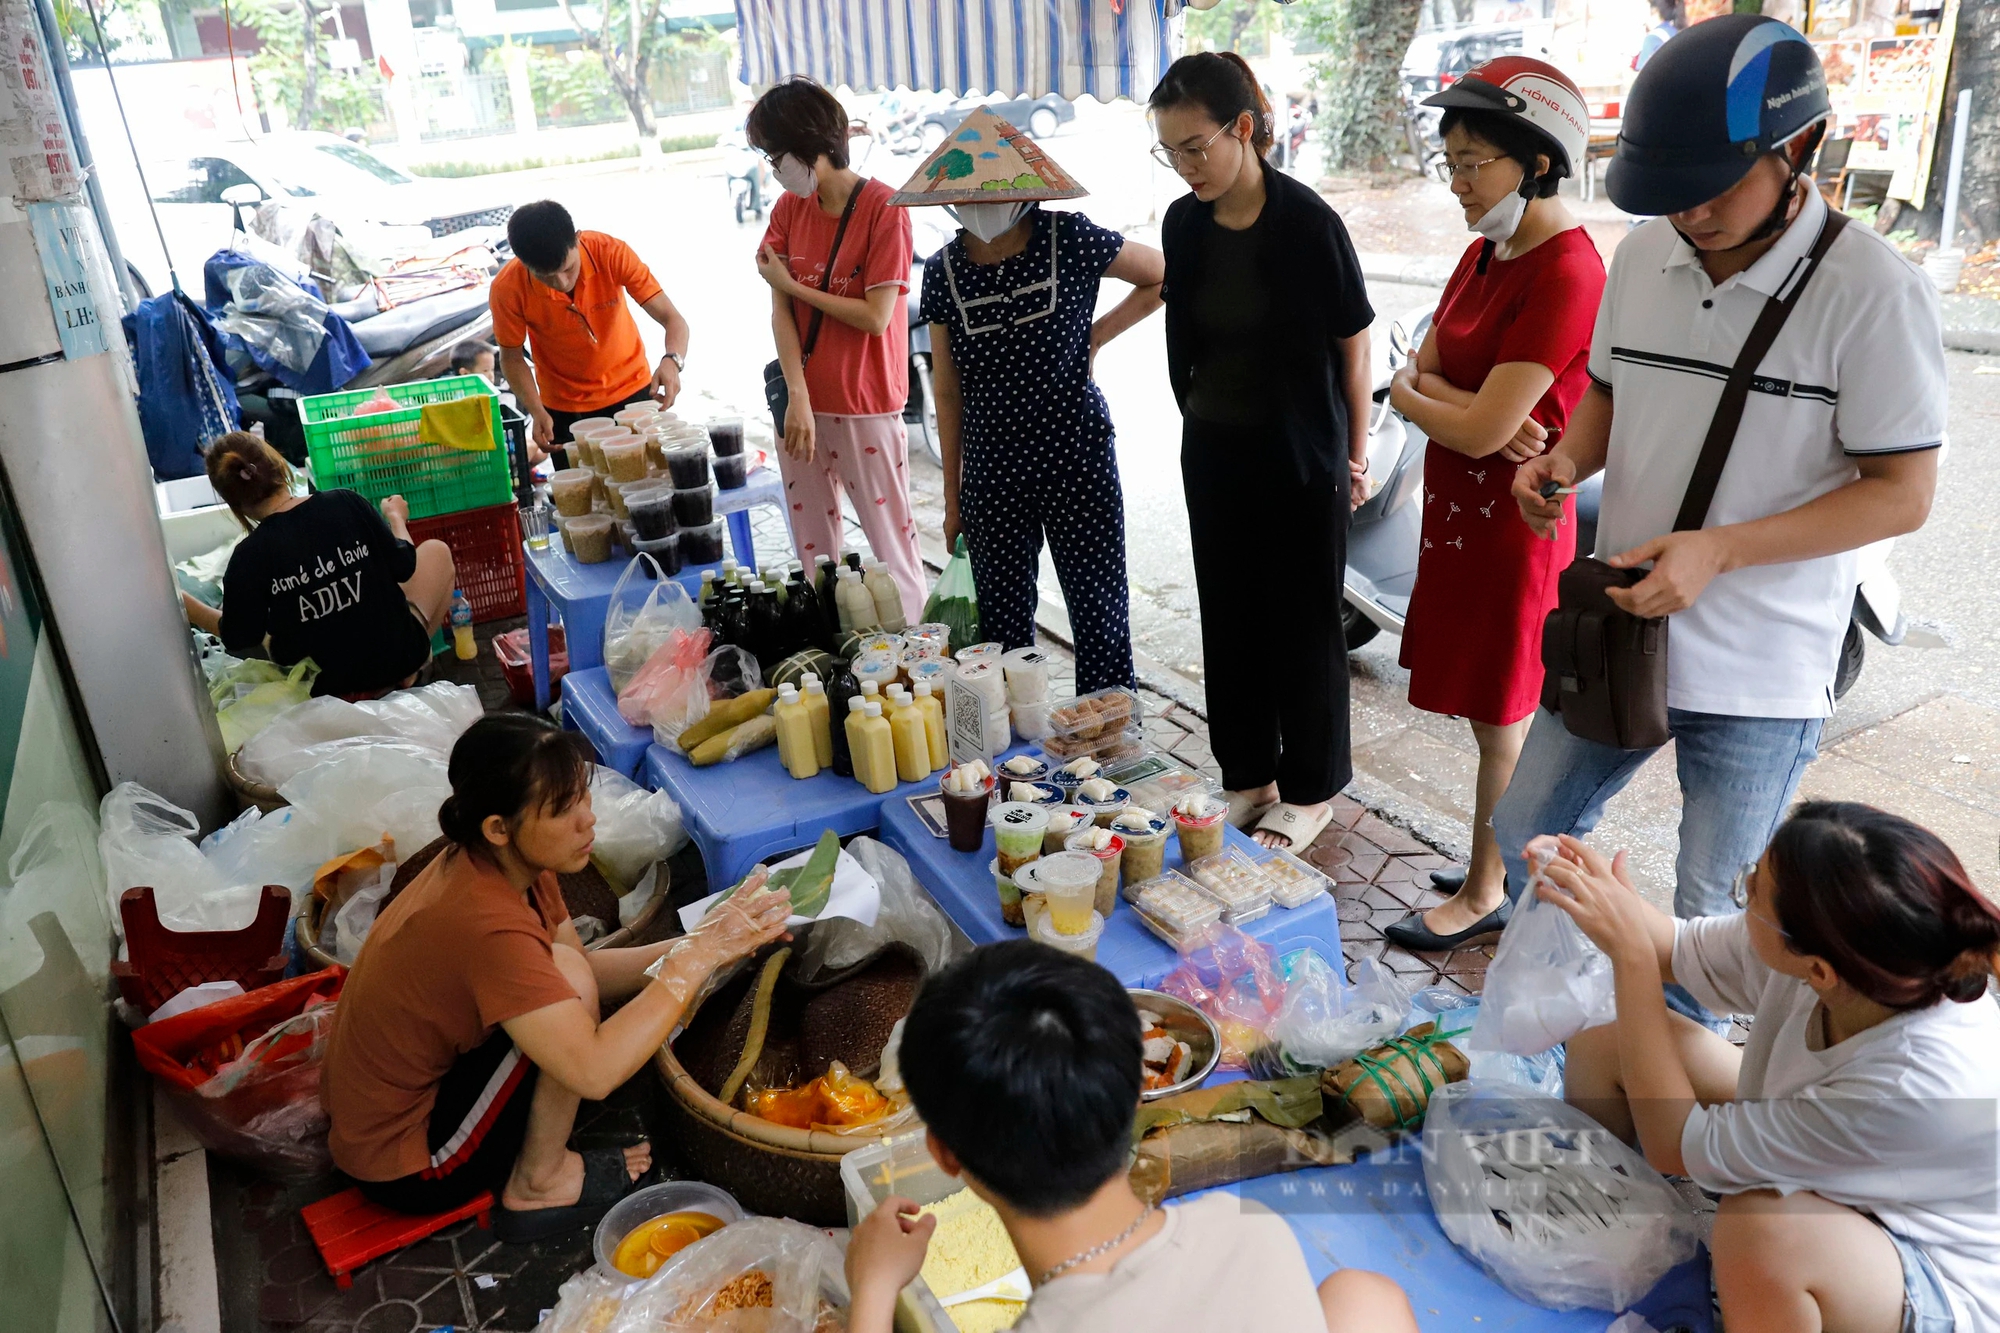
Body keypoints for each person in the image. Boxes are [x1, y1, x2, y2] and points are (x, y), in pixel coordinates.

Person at [1499, 16, 1944, 1018]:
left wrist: (1722, 552)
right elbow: (1608, 399)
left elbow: (1901, 493)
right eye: (1669, 189)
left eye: (1713, 183)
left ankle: (1671, 1114)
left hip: (1762, 665)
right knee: (1523, 829)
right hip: (1620, 632)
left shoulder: (1872, 294)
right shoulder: (1642, 256)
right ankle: (1563, 1026)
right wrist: (1562, 462)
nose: (1688, 211)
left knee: (1715, 917)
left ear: (1800, 147)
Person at [323, 715, 792, 1241]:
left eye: (583, 797)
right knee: (572, 994)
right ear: (498, 826)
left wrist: (711, 946)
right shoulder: (483, 921)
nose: (588, 820)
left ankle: (539, 1157)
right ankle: (538, 1182)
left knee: (569, 975)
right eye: (563, 810)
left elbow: (583, 968)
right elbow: (593, 1070)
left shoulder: (509, 862)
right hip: (412, 1158)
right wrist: (697, 958)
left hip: (418, 1086)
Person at [1539, 804, 2000, 1333]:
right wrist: (1590, 889)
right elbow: (1676, 947)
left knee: (1760, 1229)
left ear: (1819, 970)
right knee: (1609, 1041)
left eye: (1751, 891)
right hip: (1851, 1154)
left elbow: (1673, 1141)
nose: (1746, 892)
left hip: (1935, 1273)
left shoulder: (1913, 1083)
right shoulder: (1854, 956)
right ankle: (1585, 1223)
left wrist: (1631, 959)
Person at [844, 941, 1421, 1333]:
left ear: (943, 1153)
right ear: (1138, 1091)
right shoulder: (1251, 1232)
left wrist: (872, 1289)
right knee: (1363, 1295)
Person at [1382, 59, 1606, 953]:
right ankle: (1491, 860)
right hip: (1458, 517)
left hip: (1518, 526)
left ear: (1539, 162)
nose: (1458, 185)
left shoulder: (1566, 272)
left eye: (1473, 162)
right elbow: (1417, 374)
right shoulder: (1487, 250)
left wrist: (1439, 405)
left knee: (1503, 714)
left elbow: (1477, 427)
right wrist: (1439, 403)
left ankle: (1486, 888)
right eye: (1451, 163)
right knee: (1485, 708)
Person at [1151, 52, 1374, 853]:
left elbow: (1353, 348)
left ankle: (1310, 788)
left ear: (1243, 128)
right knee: (1230, 613)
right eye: (1170, 151)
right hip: (1213, 451)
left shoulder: (1309, 224)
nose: (1185, 167)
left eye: (1195, 146)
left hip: (1301, 456)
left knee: (1304, 619)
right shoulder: (1183, 223)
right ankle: (1248, 773)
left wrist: (1355, 451)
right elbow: (1186, 341)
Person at [893, 108, 1164, 692]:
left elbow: (1162, 276)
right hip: (992, 469)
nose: (977, 206)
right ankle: (1017, 752)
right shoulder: (941, 272)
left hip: (1076, 453)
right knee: (1004, 624)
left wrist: (1096, 334)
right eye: (964, 196)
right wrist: (952, 494)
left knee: (1098, 609)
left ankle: (1108, 732)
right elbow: (946, 387)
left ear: (1027, 192)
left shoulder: (1072, 236)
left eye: (986, 193)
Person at [750, 77, 926, 624]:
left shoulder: (885, 209)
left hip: (865, 402)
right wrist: (797, 398)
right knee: (814, 553)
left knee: (891, 547)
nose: (772, 167)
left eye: (774, 154)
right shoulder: (787, 210)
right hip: (799, 404)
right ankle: (835, 648)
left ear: (810, 146)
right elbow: (779, 312)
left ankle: (921, 656)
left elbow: (876, 317)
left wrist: (798, 286)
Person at [177, 432, 454, 700]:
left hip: (325, 688)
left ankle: (383, 680)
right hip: (394, 657)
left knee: (268, 628)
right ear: (280, 466)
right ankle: (410, 669)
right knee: (436, 552)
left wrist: (181, 600)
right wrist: (396, 518)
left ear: (233, 502)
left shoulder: (247, 557)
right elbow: (404, 565)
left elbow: (238, 635)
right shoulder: (346, 502)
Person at [490, 200, 691, 463]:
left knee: (650, 485)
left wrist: (672, 361)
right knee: (585, 498)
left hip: (635, 395)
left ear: (577, 238)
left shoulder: (610, 252)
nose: (561, 282)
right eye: (546, 277)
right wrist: (536, 409)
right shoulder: (507, 288)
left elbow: (672, 318)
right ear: (522, 262)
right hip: (564, 412)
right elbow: (512, 357)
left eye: (568, 269)